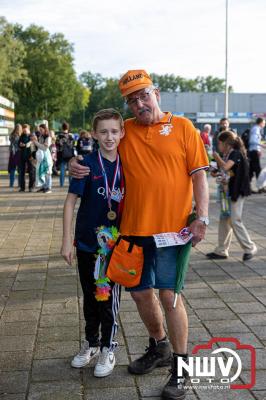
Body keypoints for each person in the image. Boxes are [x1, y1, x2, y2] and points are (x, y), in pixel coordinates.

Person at [69, 70, 209, 399]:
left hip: (172, 233)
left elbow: (200, 177)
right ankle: (159, 346)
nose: (139, 103)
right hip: (131, 233)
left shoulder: (184, 128)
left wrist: (202, 217)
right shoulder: (126, 130)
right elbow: (99, 152)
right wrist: (77, 162)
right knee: (140, 294)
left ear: (156, 93)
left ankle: (181, 368)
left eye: (143, 94)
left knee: (169, 297)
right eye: (132, 99)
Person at [61, 109, 125, 378]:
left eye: (114, 131)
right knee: (89, 297)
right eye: (103, 132)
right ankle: (92, 343)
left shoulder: (129, 165)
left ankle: (109, 347)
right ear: (95, 134)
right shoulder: (86, 164)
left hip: (115, 249)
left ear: (122, 133)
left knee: (108, 300)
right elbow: (69, 203)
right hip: (87, 244)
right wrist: (67, 241)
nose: (109, 137)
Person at [206, 131, 257, 262]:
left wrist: (215, 156)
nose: (218, 146)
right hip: (226, 192)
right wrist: (212, 169)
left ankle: (249, 247)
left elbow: (225, 166)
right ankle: (221, 250)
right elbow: (219, 171)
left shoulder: (235, 153)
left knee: (235, 220)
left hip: (237, 192)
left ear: (226, 143)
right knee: (225, 220)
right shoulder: (227, 154)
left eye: (219, 143)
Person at [31, 124, 53, 193]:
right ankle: (44, 187)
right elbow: (40, 146)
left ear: (45, 129)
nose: (40, 131)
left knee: (48, 171)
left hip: (47, 156)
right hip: (41, 156)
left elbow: (44, 147)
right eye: (39, 130)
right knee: (42, 171)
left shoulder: (48, 137)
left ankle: (48, 188)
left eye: (41, 130)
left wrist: (36, 142)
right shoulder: (41, 136)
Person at [248, 117, 266, 186]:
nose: (264, 124)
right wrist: (262, 145)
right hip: (253, 152)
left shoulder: (256, 128)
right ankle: (260, 186)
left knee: (251, 170)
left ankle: (247, 187)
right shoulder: (256, 129)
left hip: (253, 151)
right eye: (264, 123)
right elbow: (253, 140)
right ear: (261, 123)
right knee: (258, 169)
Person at [56, 122, 75, 187]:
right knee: (70, 169)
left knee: (62, 169)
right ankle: (71, 183)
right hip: (70, 154)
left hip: (62, 154)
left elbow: (57, 145)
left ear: (62, 127)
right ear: (68, 127)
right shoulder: (71, 135)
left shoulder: (59, 136)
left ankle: (61, 184)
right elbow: (73, 145)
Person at [18, 124, 35, 192]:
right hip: (22, 156)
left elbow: (33, 145)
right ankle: (22, 187)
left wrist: (26, 144)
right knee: (21, 172)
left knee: (31, 172)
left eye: (26, 128)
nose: (24, 130)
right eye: (23, 128)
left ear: (29, 129)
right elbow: (19, 144)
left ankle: (31, 187)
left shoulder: (32, 136)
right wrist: (20, 145)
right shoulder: (21, 136)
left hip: (30, 156)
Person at [8, 124, 22, 189]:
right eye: (17, 128)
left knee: (15, 170)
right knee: (15, 170)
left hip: (16, 153)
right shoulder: (17, 136)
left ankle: (14, 184)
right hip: (16, 153)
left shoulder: (13, 135)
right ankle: (14, 184)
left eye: (18, 128)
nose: (18, 129)